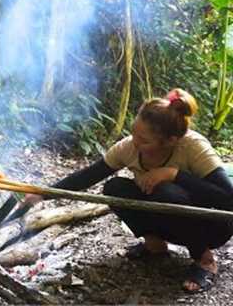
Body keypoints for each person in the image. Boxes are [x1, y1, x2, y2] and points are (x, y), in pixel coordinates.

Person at [23, 88, 233, 293]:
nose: (135, 142)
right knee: (115, 187)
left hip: (212, 227)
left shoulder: (193, 147)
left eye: (144, 140)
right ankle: (155, 247)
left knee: (166, 191)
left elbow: (228, 199)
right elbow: (88, 176)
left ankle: (205, 260)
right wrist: (42, 193)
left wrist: (174, 174)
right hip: (171, 220)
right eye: (134, 133)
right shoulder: (129, 147)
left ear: (171, 141)